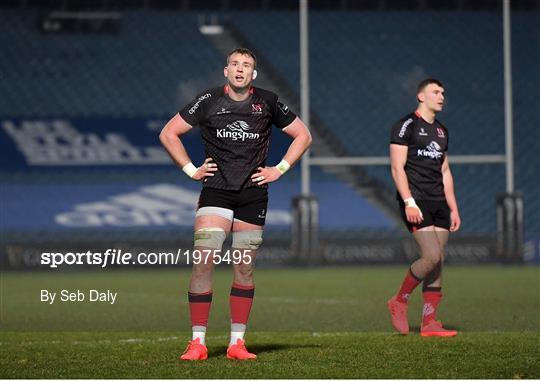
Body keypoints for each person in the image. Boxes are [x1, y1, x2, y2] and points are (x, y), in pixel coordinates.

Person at [159, 48, 312, 360]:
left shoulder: (267, 101)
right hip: (216, 192)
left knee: (244, 265)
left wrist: (279, 169)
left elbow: (303, 136)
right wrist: (191, 170)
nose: (240, 69)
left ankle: (236, 344)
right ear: (225, 71)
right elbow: (169, 133)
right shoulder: (209, 100)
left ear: (253, 74)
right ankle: (198, 343)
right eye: (235, 64)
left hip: (252, 195)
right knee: (204, 260)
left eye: (247, 65)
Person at [387, 78, 461, 337]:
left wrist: (453, 207)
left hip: (439, 201)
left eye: (443, 92)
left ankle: (429, 323)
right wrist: (408, 201)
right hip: (416, 201)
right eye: (435, 92)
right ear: (421, 96)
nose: (441, 96)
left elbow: (445, 170)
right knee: (431, 256)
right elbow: (397, 168)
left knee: (438, 262)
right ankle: (399, 300)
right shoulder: (407, 125)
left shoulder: (442, 131)